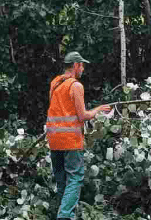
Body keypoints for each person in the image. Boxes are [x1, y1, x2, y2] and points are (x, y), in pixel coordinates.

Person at [46, 51, 112, 220]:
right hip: (70, 141)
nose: (83, 69)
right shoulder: (75, 86)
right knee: (75, 178)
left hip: (53, 139)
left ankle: (65, 214)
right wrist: (98, 109)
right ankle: (64, 216)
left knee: (62, 179)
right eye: (82, 65)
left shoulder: (55, 83)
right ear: (75, 65)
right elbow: (82, 116)